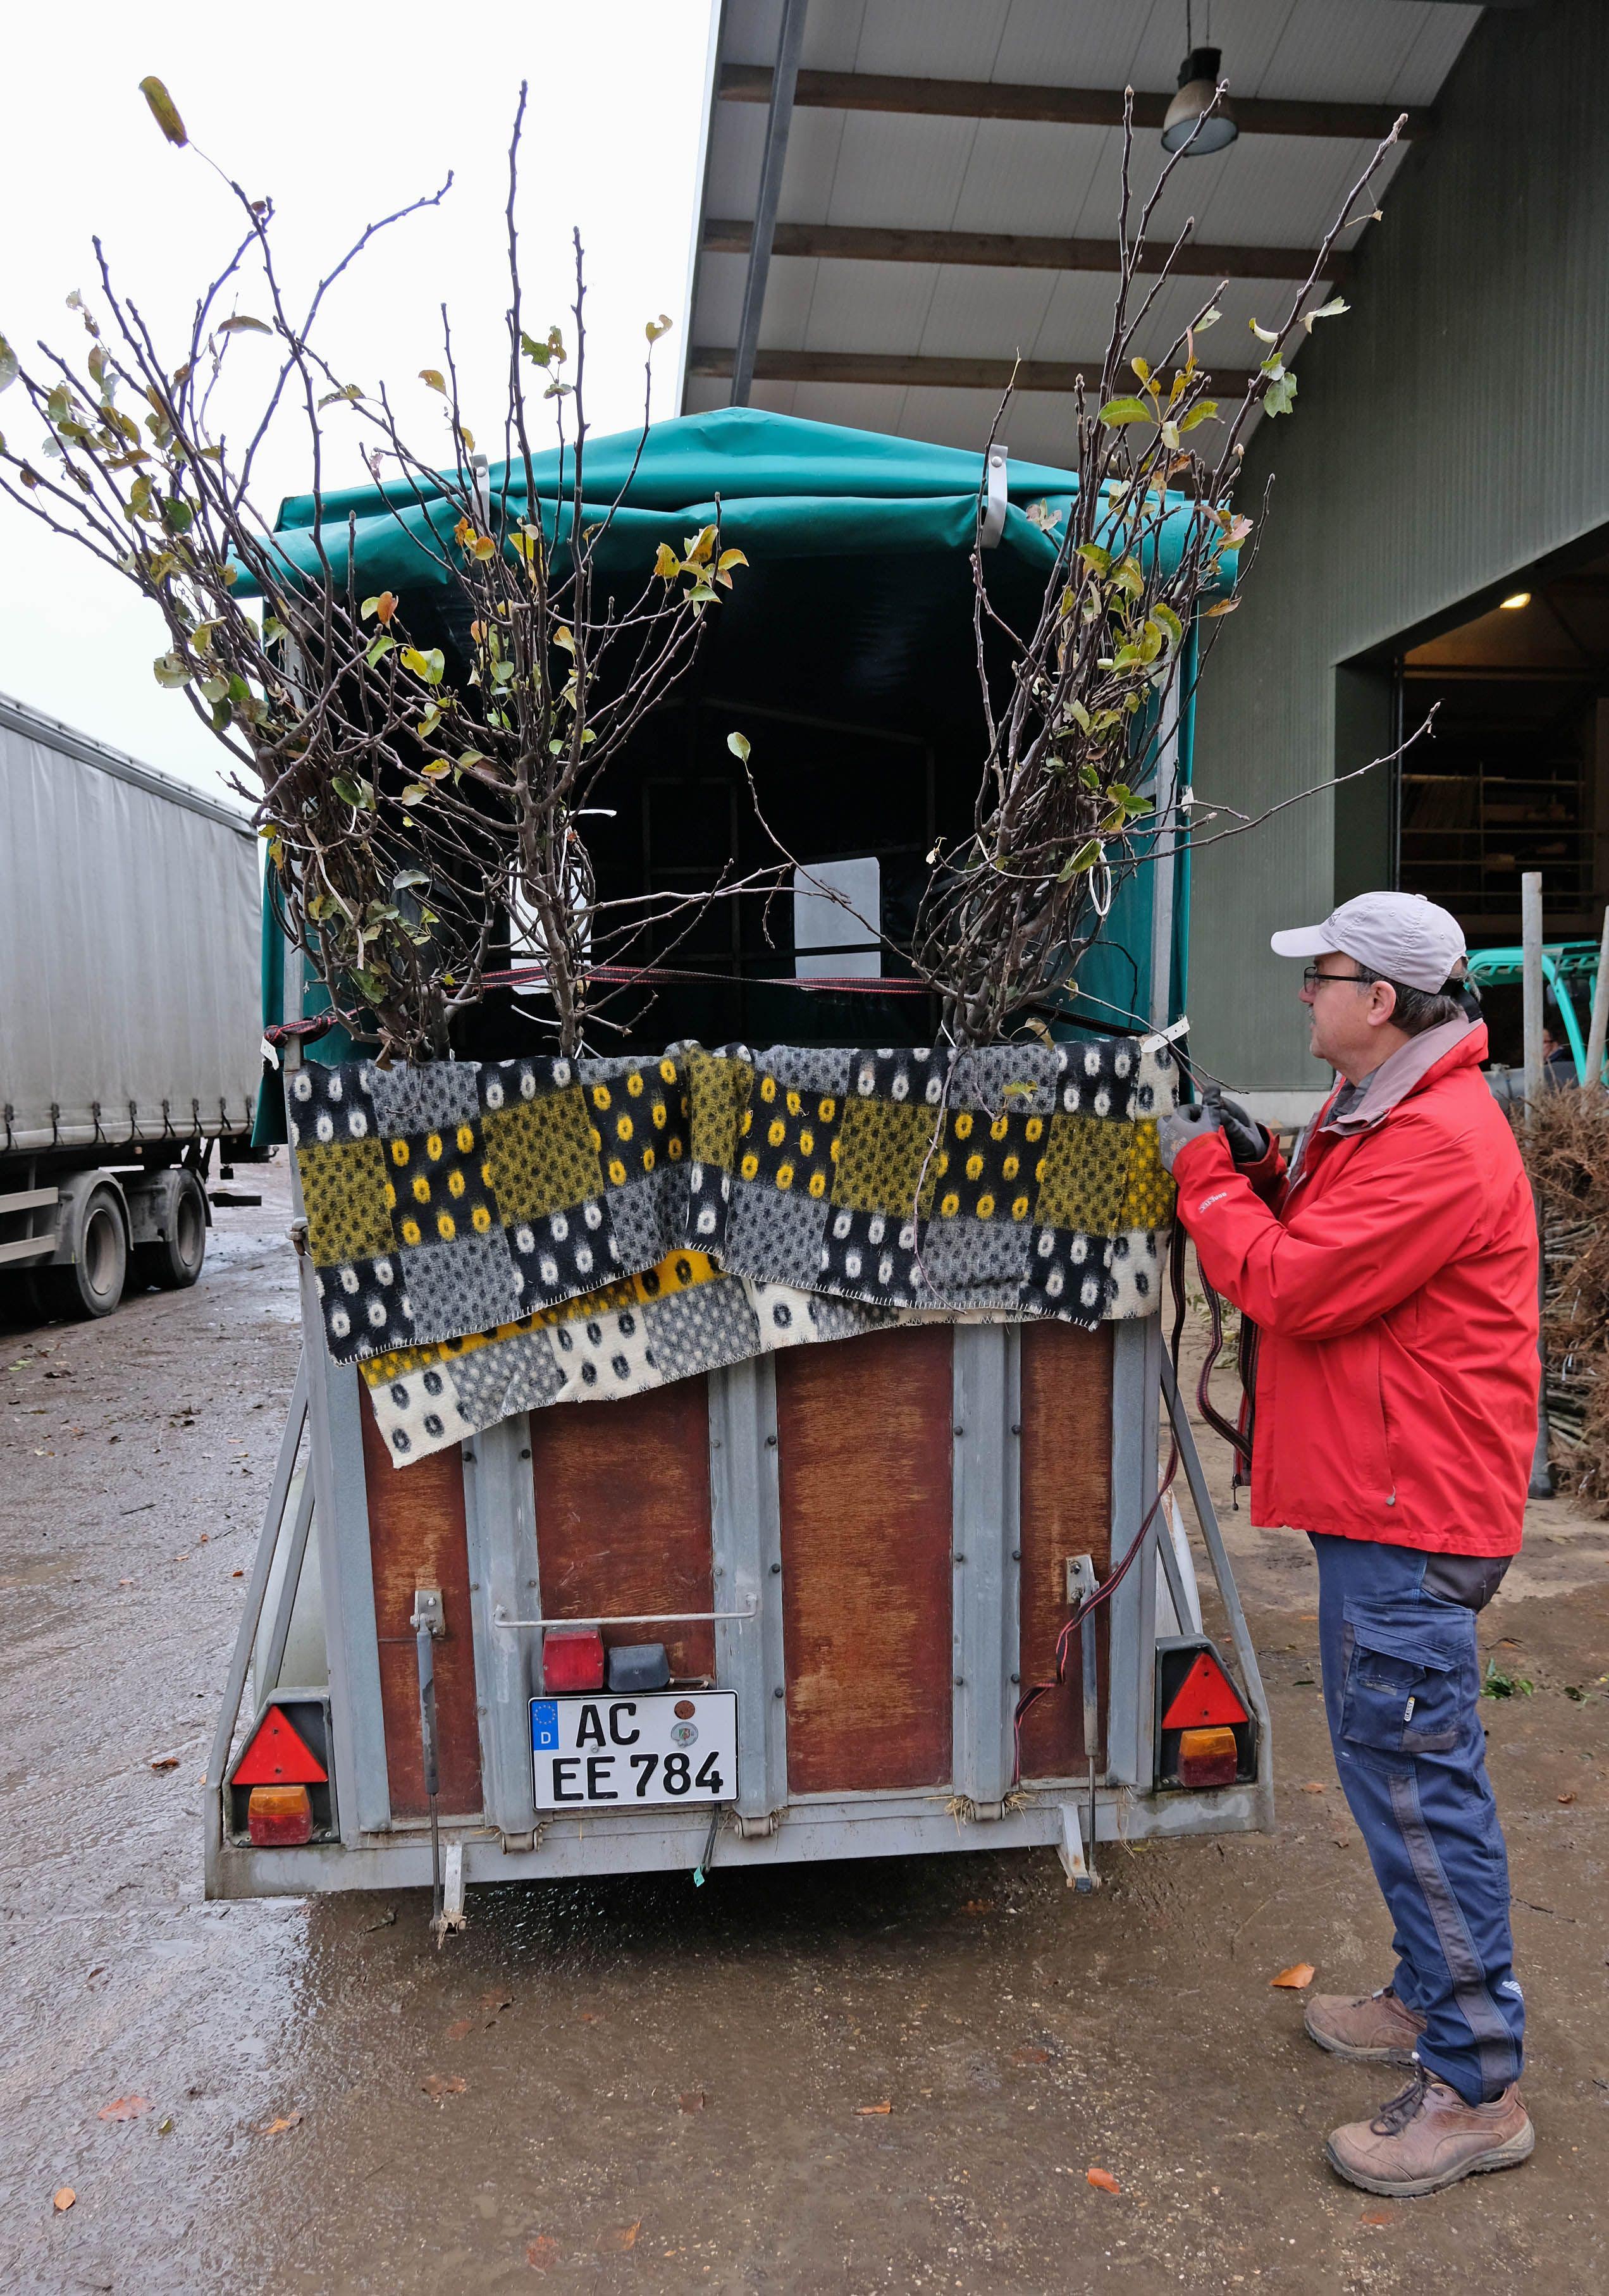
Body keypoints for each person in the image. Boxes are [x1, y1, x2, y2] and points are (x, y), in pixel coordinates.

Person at [1159, 891, 1538, 2199]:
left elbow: (1294, 1286)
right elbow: (1320, 1227)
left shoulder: (1442, 1138)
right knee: (1390, 1774)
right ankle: (1433, 2000)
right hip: (1379, 1498)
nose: (1304, 997)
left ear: (1380, 1000)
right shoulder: (1383, 1111)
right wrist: (1264, 1162)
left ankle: (1478, 2084)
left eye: (1320, 977)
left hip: (1413, 1511)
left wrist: (1202, 1176)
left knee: (1423, 1791)